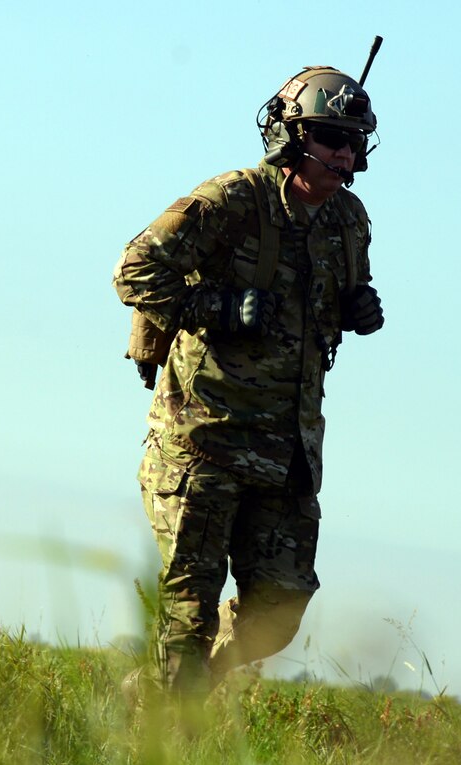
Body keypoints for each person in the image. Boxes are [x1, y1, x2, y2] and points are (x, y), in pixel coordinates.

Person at [112, 65, 385, 699]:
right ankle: (162, 762)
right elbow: (135, 271)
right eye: (328, 136)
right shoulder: (232, 200)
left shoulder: (349, 221)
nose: (344, 152)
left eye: (353, 140)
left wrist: (358, 309)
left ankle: (164, 693)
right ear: (291, 135)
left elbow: (330, 303)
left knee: (278, 613)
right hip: (201, 442)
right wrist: (217, 309)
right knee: (188, 614)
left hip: (286, 455)